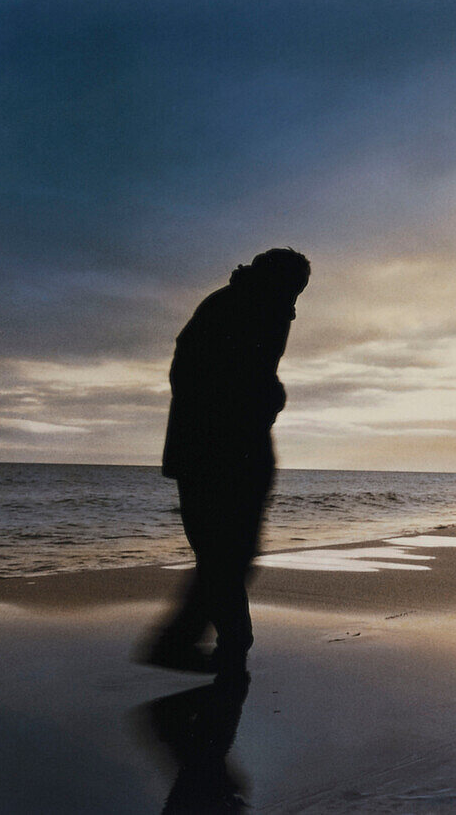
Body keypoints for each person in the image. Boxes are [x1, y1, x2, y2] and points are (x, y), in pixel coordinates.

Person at [141, 248, 310, 674]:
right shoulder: (240, 308)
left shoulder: (248, 305)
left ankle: (231, 643)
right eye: (293, 291)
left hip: (223, 446)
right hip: (221, 449)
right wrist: (265, 397)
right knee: (228, 552)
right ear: (277, 282)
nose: (295, 305)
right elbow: (205, 376)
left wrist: (266, 395)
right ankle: (186, 642)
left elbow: (226, 372)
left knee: (226, 553)